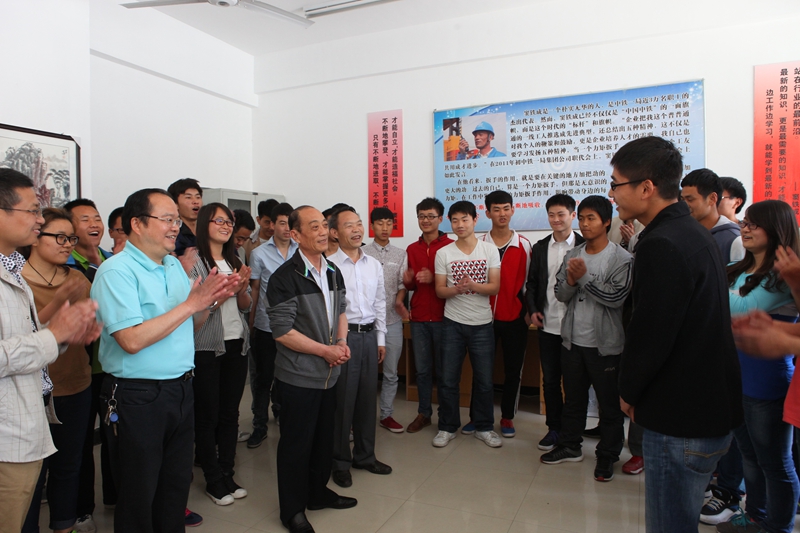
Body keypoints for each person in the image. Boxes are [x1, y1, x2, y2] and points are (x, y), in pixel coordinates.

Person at [610, 136, 743, 533]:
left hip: (681, 418)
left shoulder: (663, 243)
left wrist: (628, 391)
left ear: (646, 188)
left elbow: (652, 332)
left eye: (616, 184)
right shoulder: (692, 232)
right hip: (707, 408)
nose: (612, 194)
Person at [91, 188, 236, 532]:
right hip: (137, 397)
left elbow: (189, 325)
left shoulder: (171, 265)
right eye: (167, 219)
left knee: (174, 488)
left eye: (176, 220)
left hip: (180, 389)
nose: (176, 227)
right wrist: (190, 304)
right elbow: (130, 340)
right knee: (139, 493)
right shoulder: (116, 271)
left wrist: (208, 302)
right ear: (137, 224)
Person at [0, 168, 100, 532]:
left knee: (66, 465)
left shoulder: (12, 270)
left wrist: (68, 332)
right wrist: (55, 331)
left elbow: (27, 336)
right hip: (11, 425)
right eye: (32, 211)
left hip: (47, 398)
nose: (39, 220)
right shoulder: (19, 274)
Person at [266, 206, 356, 533]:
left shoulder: (332, 270)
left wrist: (341, 342)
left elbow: (341, 311)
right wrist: (325, 351)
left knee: (322, 441)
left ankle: (317, 493)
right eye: (313, 226)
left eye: (324, 225)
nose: (322, 232)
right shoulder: (284, 277)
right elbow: (282, 332)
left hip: (329, 374)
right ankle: (292, 510)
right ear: (295, 235)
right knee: (296, 445)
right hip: (298, 377)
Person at [716, 200, 799, 533]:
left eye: (754, 224)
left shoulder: (785, 277)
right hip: (735, 377)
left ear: (776, 230)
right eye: (745, 222)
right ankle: (755, 516)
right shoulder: (735, 267)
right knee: (748, 455)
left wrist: (712, 287)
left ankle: (777, 526)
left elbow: (741, 309)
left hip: (767, 382)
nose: (745, 229)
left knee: (775, 463)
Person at [539, 195, 632, 482]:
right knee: (574, 399)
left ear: (606, 222)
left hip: (605, 346)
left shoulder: (621, 258)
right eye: (582, 218)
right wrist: (570, 280)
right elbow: (560, 294)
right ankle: (570, 445)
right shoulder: (573, 254)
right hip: (572, 342)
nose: (585, 223)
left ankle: (608, 455)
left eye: (591, 218)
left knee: (609, 404)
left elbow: (616, 297)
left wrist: (583, 278)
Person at [20, 208, 93, 533]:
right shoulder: (15, 280)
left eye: (71, 239)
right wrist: (59, 301)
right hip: (31, 390)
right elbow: (21, 337)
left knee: (68, 465)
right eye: (60, 237)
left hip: (75, 383)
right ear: (36, 238)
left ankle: (64, 526)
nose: (67, 245)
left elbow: (85, 327)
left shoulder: (77, 279)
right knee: (32, 472)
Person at [187, 203, 252, 506]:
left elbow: (244, 306)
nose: (226, 226)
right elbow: (193, 312)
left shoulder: (234, 260)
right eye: (220, 221)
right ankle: (213, 479)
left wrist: (242, 290)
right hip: (207, 348)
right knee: (207, 415)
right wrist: (223, 295)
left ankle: (227, 472)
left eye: (229, 222)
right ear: (205, 224)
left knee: (230, 414)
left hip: (237, 344)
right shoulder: (194, 262)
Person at [328, 208, 391, 487]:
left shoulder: (373, 264)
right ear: (334, 232)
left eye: (359, 224)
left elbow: (380, 303)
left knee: (367, 400)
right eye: (349, 225)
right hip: (344, 338)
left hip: (369, 337)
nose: (356, 230)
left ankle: (365, 456)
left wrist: (380, 339)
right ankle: (339, 461)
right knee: (343, 402)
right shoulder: (329, 265)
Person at [433, 200, 501, 448]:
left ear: (475, 220)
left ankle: (484, 427)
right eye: (455, 220)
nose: (460, 224)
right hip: (452, 324)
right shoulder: (444, 253)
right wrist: (457, 289)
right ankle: (447, 427)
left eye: (464, 219)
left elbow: (495, 287)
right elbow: (440, 290)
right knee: (448, 379)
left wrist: (472, 286)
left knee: (484, 380)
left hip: (482, 324)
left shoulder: (489, 250)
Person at [527, 193, 583, 451]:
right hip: (548, 325)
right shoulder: (540, 247)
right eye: (551, 215)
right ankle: (554, 429)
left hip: (577, 328)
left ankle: (571, 433)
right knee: (550, 381)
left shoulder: (585, 245)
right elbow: (533, 284)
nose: (556, 219)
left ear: (573, 215)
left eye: (561, 214)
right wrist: (533, 310)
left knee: (574, 384)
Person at [476, 190, 531, 438]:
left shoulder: (524, 245)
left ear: (513, 210)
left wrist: (528, 312)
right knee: (482, 371)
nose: (502, 213)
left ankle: (507, 416)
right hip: (482, 318)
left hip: (514, 318)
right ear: (487, 213)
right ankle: (478, 416)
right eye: (496, 209)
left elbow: (529, 284)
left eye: (506, 208)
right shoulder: (478, 244)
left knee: (513, 370)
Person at [248, 202, 297, 448]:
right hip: (266, 325)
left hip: (295, 327)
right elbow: (255, 290)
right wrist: (251, 323)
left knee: (288, 377)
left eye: (290, 223)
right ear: (272, 225)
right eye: (282, 223)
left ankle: (283, 414)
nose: (287, 228)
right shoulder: (259, 254)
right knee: (263, 378)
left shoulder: (302, 251)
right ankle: (259, 424)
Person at [403, 197, 452, 433]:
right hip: (420, 317)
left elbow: (457, 282)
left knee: (444, 371)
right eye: (422, 216)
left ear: (440, 219)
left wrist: (435, 278)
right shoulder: (412, 249)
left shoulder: (451, 246)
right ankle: (424, 413)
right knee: (422, 370)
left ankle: (446, 415)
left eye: (431, 216)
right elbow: (412, 286)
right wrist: (408, 281)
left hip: (445, 317)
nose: (426, 220)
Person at [363, 206, 409, 433]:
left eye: (389, 223)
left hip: (392, 321)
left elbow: (402, 284)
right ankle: (361, 417)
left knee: (391, 373)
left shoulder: (401, 254)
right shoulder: (362, 253)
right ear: (372, 226)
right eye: (380, 223)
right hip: (365, 323)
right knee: (364, 375)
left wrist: (400, 301)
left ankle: (386, 415)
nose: (385, 227)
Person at [680, 169, 743, 264]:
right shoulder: (685, 234)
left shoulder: (733, 240)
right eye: (682, 200)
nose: (684, 205)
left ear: (712, 199)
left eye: (690, 199)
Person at [63, 199, 113, 282]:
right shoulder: (61, 263)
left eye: (97, 220)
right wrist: (94, 266)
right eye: (85, 220)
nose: (94, 225)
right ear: (69, 226)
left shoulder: (113, 259)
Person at [167, 178, 203, 256]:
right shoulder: (173, 233)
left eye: (198, 197)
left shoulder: (207, 231)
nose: (195, 202)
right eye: (188, 197)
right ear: (175, 204)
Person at [242, 198, 279, 265]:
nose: (271, 227)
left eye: (274, 223)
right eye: (267, 222)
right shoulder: (246, 243)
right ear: (258, 220)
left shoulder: (287, 243)